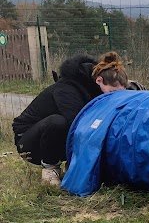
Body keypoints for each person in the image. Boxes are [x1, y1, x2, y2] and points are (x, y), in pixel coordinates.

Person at [12, 51, 130, 187]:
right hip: (29, 142)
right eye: (112, 93)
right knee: (58, 122)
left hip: (55, 138)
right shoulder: (67, 89)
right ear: (99, 80)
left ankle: (75, 165)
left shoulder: (100, 85)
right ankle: (50, 169)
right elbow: (78, 125)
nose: (113, 98)